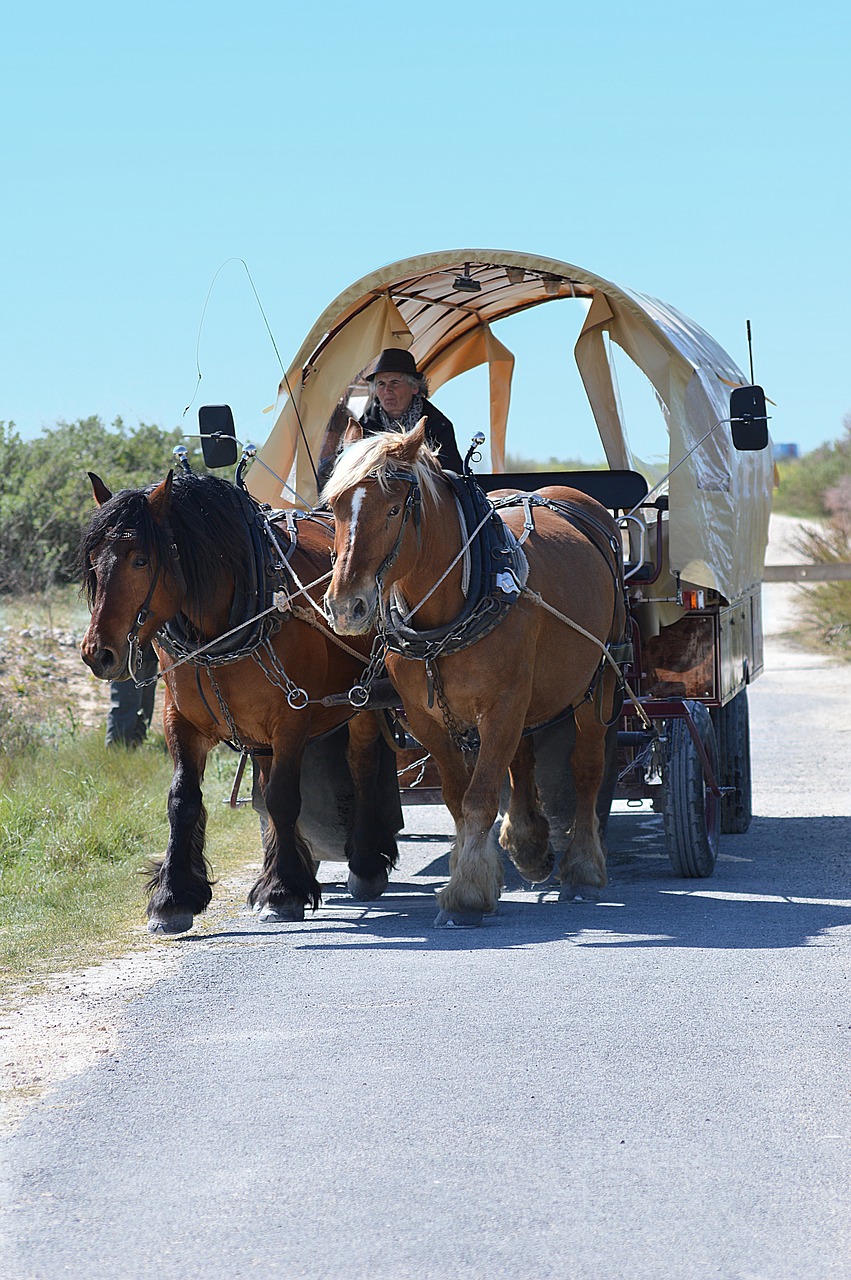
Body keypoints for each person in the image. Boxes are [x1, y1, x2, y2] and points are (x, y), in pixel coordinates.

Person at [361, 348, 465, 473]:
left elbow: (452, 474)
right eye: (381, 384)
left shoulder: (438, 426)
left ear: (414, 387)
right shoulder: (363, 428)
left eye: (394, 382)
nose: (387, 390)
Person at [105, 643, 157, 747]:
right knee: (125, 703)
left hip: (149, 651)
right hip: (125, 654)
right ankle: (116, 749)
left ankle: (137, 744)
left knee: (145, 705)